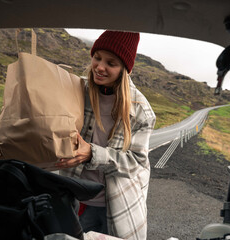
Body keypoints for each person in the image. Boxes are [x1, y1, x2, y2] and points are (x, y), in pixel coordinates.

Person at [55, 30, 156, 240]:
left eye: (111, 63)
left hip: (117, 206)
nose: (100, 67)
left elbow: (136, 163)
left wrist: (93, 154)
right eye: (97, 57)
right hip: (73, 197)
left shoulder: (141, 111)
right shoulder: (76, 90)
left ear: (124, 69)